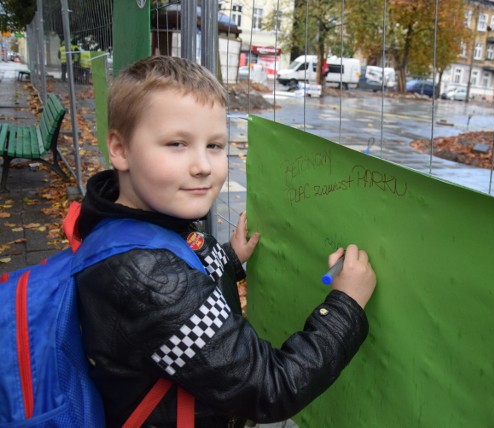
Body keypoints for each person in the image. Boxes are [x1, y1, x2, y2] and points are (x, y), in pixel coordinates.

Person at [74, 55, 377, 426]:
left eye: (215, 145)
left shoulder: (132, 221)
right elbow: (270, 387)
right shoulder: (148, 279)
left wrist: (230, 258)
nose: (203, 165)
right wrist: (346, 304)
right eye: (176, 144)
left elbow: (181, 277)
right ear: (119, 149)